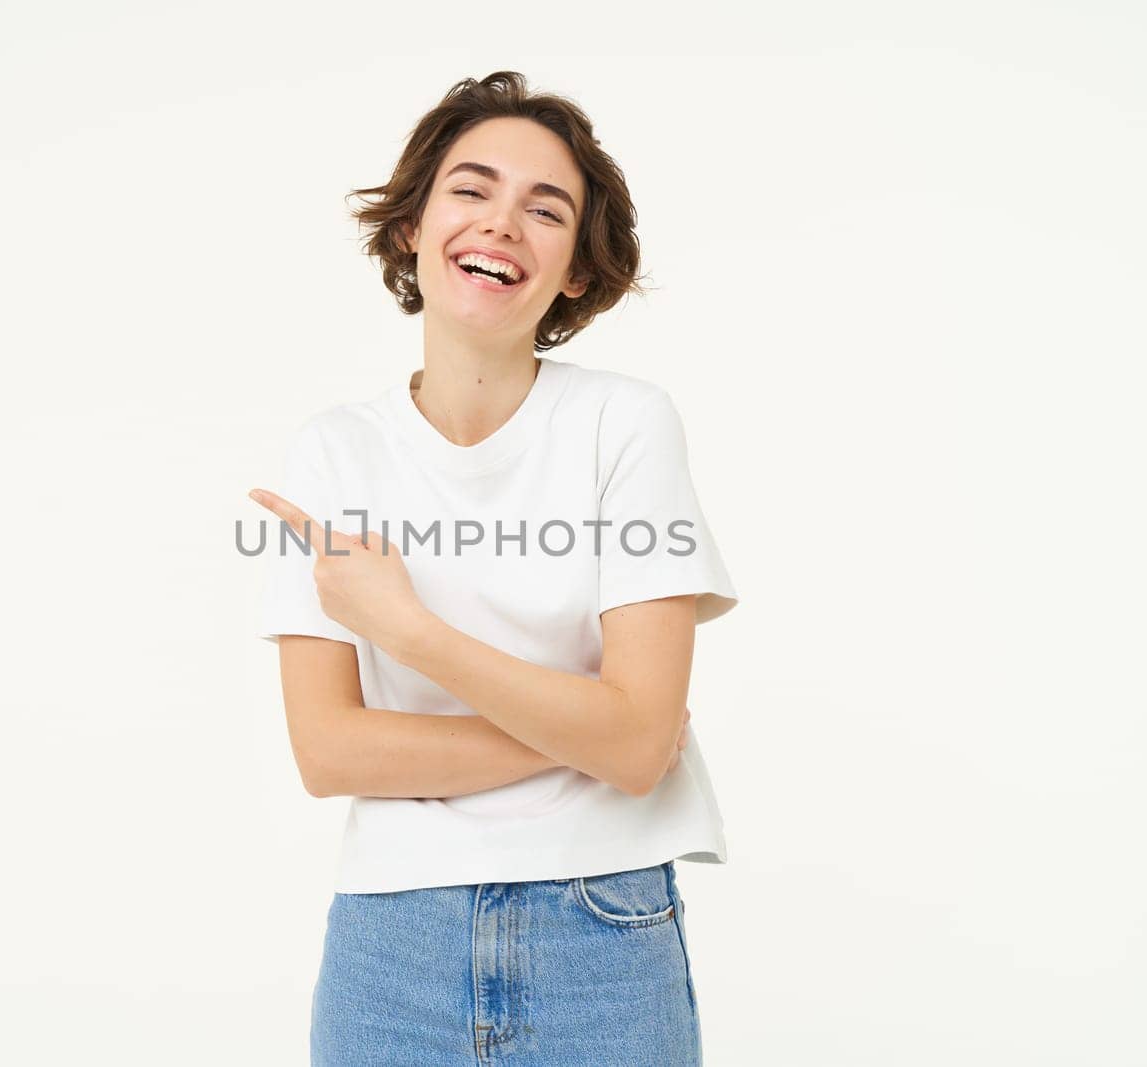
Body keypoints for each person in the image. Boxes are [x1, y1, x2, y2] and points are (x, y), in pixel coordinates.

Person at [249, 71, 740, 1066]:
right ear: (410, 230)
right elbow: (329, 752)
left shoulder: (624, 424)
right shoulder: (334, 452)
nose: (502, 223)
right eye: (471, 189)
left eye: (545, 208)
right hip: (392, 944)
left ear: (573, 272)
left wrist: (412, 632)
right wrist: (590, 732)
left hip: (602, 929)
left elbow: (640, 742)